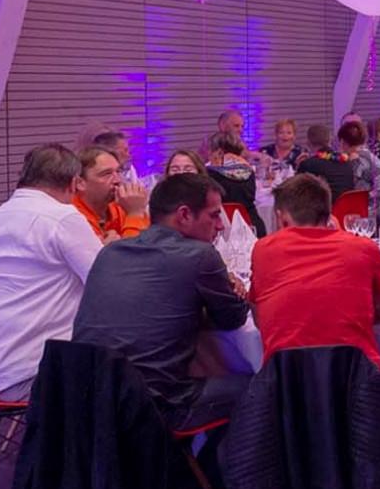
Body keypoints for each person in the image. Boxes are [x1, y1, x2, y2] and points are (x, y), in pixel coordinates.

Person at [72, 173, 250, 430]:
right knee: (260, 386)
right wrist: (237, 290)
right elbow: (232, 319)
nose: (221, 225)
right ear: (184, 215)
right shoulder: (199, 255)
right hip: (151, 408)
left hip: (85, 402)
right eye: (214, 215)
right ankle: (221, 468)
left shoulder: (110, 252)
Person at [0, 145, 102, 401]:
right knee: (140, 370)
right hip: (33, 375)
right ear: (73, 184)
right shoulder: (62, 218)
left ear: (24, 176)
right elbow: (106, 283)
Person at [249, 174, 380, 366]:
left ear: (282, 218)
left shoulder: (263, 250)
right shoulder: (363, 248)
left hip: (288, 387)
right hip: (357, 382)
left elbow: (260, 320)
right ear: (329, 214)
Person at [73, 146, 150, 242]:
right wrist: (134, 213)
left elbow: (152, 246)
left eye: (118, 171)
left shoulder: (122, 205)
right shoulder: (73, 218)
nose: (118, 180)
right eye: (106, 174)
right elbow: (132, 255)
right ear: (80, 183)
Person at [206, 131, 265, 236]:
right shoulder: (249, 170)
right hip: (253, 227)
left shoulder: (209, 174)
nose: (208, 156)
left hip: (222, 230)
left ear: (219, 152)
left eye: (210, 151)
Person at [339, 120, 380, 215]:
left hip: (370, 212)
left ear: (343, 142)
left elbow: (359, 194)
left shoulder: (356, 162)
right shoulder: (370, 156)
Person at [297, 123, 358, 201]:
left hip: (324, 210)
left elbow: (297, 191)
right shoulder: (346, 160)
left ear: (308, 143)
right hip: (346, 209)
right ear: (330, 140)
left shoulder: (308, 164)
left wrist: (299, 166)